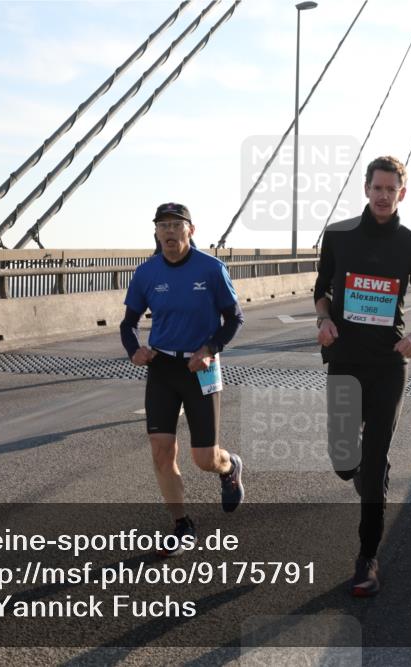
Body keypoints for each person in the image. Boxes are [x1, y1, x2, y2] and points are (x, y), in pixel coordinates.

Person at [314, 155, 411, 597]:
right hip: (344, 360)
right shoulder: (338, 236)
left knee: (374, 459)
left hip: (389, 365)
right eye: (377, 188)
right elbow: (321, 291)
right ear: (366, 189)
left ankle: (368, 557)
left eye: (391, 190)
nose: (384, 196)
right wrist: (323, 320)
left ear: (401, 193)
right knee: (344, 461)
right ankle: (367, 468)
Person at [121, 202, 246, 556]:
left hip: (201, 367)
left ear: (191, 230)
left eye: (177, 225)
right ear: (156, 232)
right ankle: (181, 525)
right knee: (161, 451)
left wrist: (209, 348)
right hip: (162, 367)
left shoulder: (211, 269)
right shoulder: (146, 273)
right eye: (163, 225)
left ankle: (228, 466)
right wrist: (134, 350)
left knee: (204, 459)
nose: (170, 232)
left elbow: (235, 319)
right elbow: (128, 324)